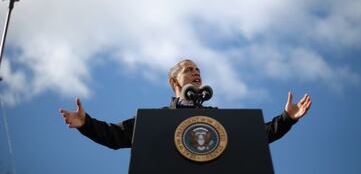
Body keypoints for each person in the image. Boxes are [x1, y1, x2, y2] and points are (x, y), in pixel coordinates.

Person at [60, 59, 312, 149]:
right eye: (189, 69)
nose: (196, 73)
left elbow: (257, 137)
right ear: (174, 81)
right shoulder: (156, 121)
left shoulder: (217, 121)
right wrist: (86, 124)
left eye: (198, 69)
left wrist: (287, 119)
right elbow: (115, 136)